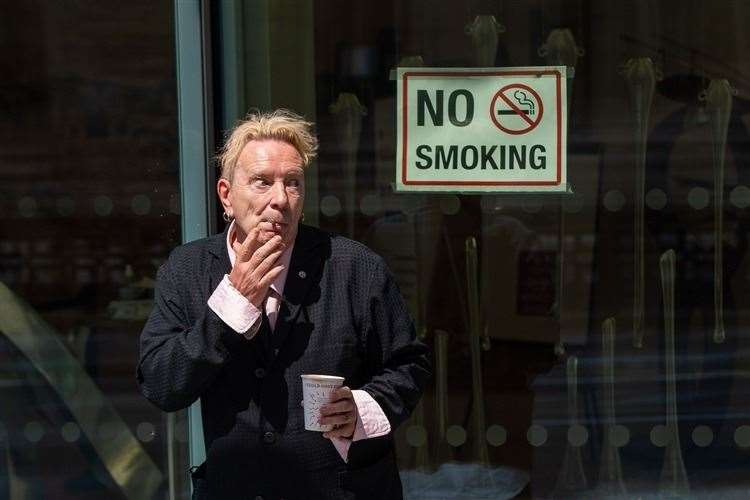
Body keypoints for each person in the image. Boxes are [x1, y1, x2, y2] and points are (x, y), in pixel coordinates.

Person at [137, 109, 431, 499]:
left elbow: (409, 365)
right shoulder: (189, 269)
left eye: (292, 183)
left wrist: (365, 407)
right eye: (262, 182)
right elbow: (161, 384)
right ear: (226, 194)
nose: (280, 199)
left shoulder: (353, 267)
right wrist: (232, 304)